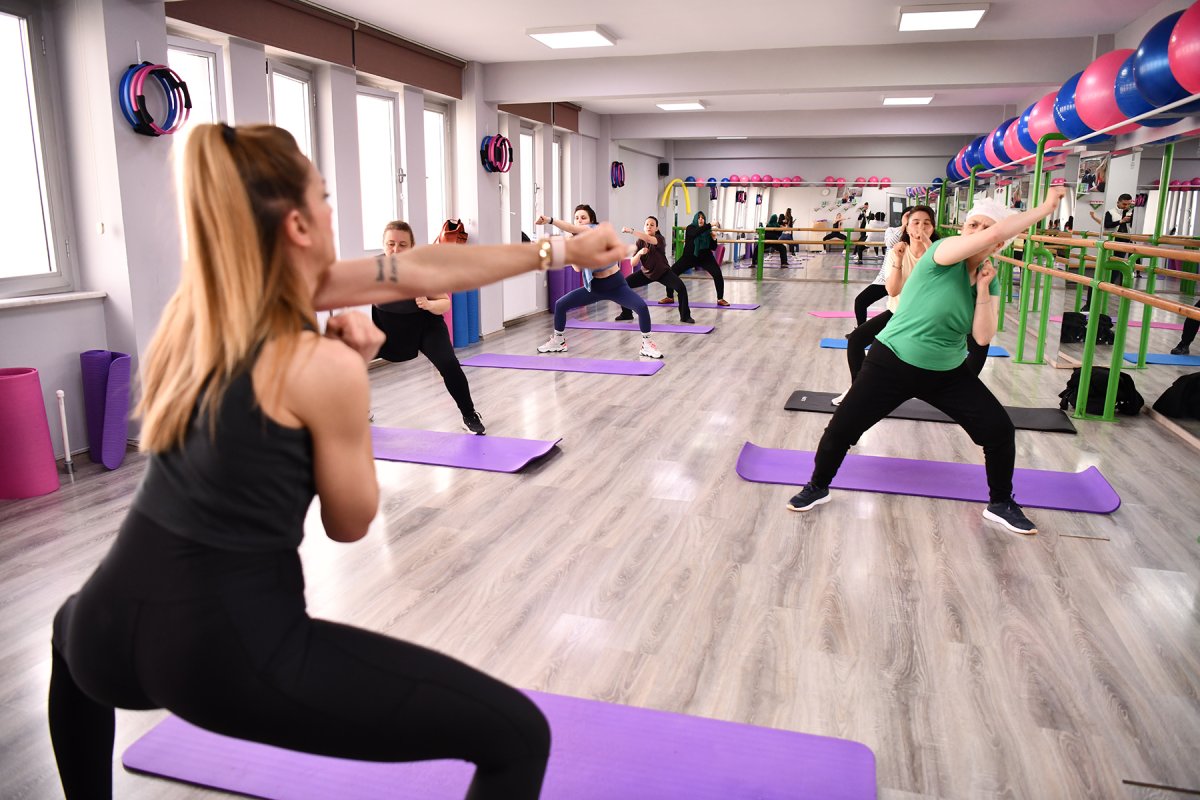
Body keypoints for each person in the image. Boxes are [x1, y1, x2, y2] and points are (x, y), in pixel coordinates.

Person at [47, 123, 628, 800]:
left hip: (103, 627)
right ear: (297, 224)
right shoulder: (319, 363)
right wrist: (348, 376)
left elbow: (416, 269)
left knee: (64, 623)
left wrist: (559, 249)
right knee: (520, 737)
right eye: (323, 198)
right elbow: (350, 523)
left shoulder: (198, 311)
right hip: (224, 653)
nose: (332, 212)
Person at [786, 187, 1069, 536]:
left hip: (946, 373)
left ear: (997, 247)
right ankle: (818, 485)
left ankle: (1000, 503)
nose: (976, 232)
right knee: (842, 429)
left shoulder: (987, 281)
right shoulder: (941, 252)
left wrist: (982, 290)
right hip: (892, 362)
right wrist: (1045, 207)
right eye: (972, 225)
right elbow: (997, 232)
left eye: (985, 229)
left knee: (999, 431)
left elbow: (981, 338)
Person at [371, 221, 484, 434]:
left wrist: (429, 304)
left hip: (426, 326)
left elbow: (445, 302)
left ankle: (469, 414)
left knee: (449, 365)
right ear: (383, 245)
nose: (395, 250)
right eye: (391, 244)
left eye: (402, 244)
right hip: (390, 328)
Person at [833, 206, 939, 404]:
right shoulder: (896, 251)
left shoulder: (940, 254)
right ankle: (857, 390)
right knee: (856, 340)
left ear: (933, 228)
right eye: (916, 222)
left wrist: (928, 248)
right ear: (907, 226)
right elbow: (892, 291)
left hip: (926, 318)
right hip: (897, 313)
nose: (921, 228)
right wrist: (898, 259)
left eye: (927, 223)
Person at [536, 205, 663, 358]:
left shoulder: (594, 230)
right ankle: (559, 341)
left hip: (616, 285)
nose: (579, 221)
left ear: (591, 221)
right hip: (595, 286)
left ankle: (647, 344)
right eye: (576, 218)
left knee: (641, 307)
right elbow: (577, 268)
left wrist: (550, 220)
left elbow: (571, 228)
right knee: (560, 304)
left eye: (583, 217)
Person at [617, 216, 695, 323]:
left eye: (652, 225)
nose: (649, 226)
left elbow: (649, 239)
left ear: (657, 228)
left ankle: (685, 316)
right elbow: (632, 263)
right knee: (624, 284)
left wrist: (631, 231)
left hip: (663, 273)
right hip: (646, 273)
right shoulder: (640, 242)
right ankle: (626, 313)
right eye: (647, 224)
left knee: (681, 288)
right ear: (644, 227)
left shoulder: (659, 239)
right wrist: (639, 253)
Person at [850, 209, 910, 327]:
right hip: (885, 279)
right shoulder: (892, 230)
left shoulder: (916, 237)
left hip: (906, 281)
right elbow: (890, 243)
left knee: (896, 311)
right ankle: (861, 331)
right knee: (860, 301)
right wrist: (903, 226)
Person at [660, 211, 729, 307]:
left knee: (717, 274)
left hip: (706, 257)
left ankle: (720, 299)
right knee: (672, 272)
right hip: (689, 257)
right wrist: (710, 225)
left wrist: (714, 238)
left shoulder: (707, 231)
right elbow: (695, 233)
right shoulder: (690, 228)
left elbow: (713, 248)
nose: (700, 219)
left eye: (702, 218)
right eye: (699, 217)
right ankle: (669, 297)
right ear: (695, 219)